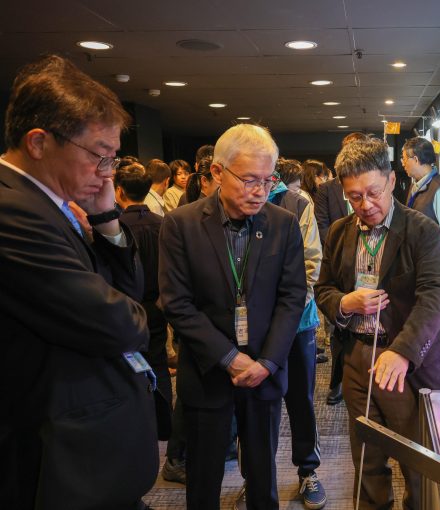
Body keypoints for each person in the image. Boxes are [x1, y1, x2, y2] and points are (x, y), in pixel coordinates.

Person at [0, 54, 158, 510]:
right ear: (38, 142)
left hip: (89, 449)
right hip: (56, 459)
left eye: (113, 158)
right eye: (99, 155)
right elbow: (122, 324)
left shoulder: (52, 206)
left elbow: (129, 292)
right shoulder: (12, 211)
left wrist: (107, 219)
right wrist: (133, 314)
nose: (107, 172)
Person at [159, 123, 306, 510]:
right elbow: (177, 303)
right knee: (203, 479)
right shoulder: (181, 224)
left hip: (264, 371)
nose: (260, 191)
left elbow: (292, 297)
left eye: (268, 180)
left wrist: (268, 362)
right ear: (217, 172)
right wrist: (229, 358)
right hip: (208, 371)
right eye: (249, 180)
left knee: (263, 477)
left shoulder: (283, 223)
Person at [315, 136, 440, 509]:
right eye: (354, 197)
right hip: (357, 360)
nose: (366, 205)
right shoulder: (339, 232)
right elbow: (323, 289)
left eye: (373, 193)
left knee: (418, 465)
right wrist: (344, 302)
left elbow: (436, 294)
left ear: (391, 180)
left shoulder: (422, 231)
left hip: (405, 365)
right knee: (366, 462)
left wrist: (403, 351)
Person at [233, 158, 326, 510]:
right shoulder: (235, 205)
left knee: (301, 401)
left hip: (297, 325)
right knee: (253, 407)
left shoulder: (297, 204)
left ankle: (308, 470)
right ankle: (256, 478)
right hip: (251, 331)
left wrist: (280, 311)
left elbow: (311, 265)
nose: (256, 185)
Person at [115, 163, 173, 441]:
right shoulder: (164, 224)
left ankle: (138, 426)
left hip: (126, 309)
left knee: (128, 367)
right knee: (159, 362)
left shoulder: (116, 228)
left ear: (119, 191)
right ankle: (165, 424)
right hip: (159, 306)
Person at [314, 132, 366, 405]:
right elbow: (322, 223)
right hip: (338, 264)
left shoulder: (373, 185)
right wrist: (340, 246)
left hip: (368, 267)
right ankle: (337, 383)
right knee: (337, 329)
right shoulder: (327, 189)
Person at [402, 136, 440, 257]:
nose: (403, 164)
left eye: (404, 159)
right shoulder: (415, 186)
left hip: (432, 263)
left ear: (415, 159)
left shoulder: (439, 191)